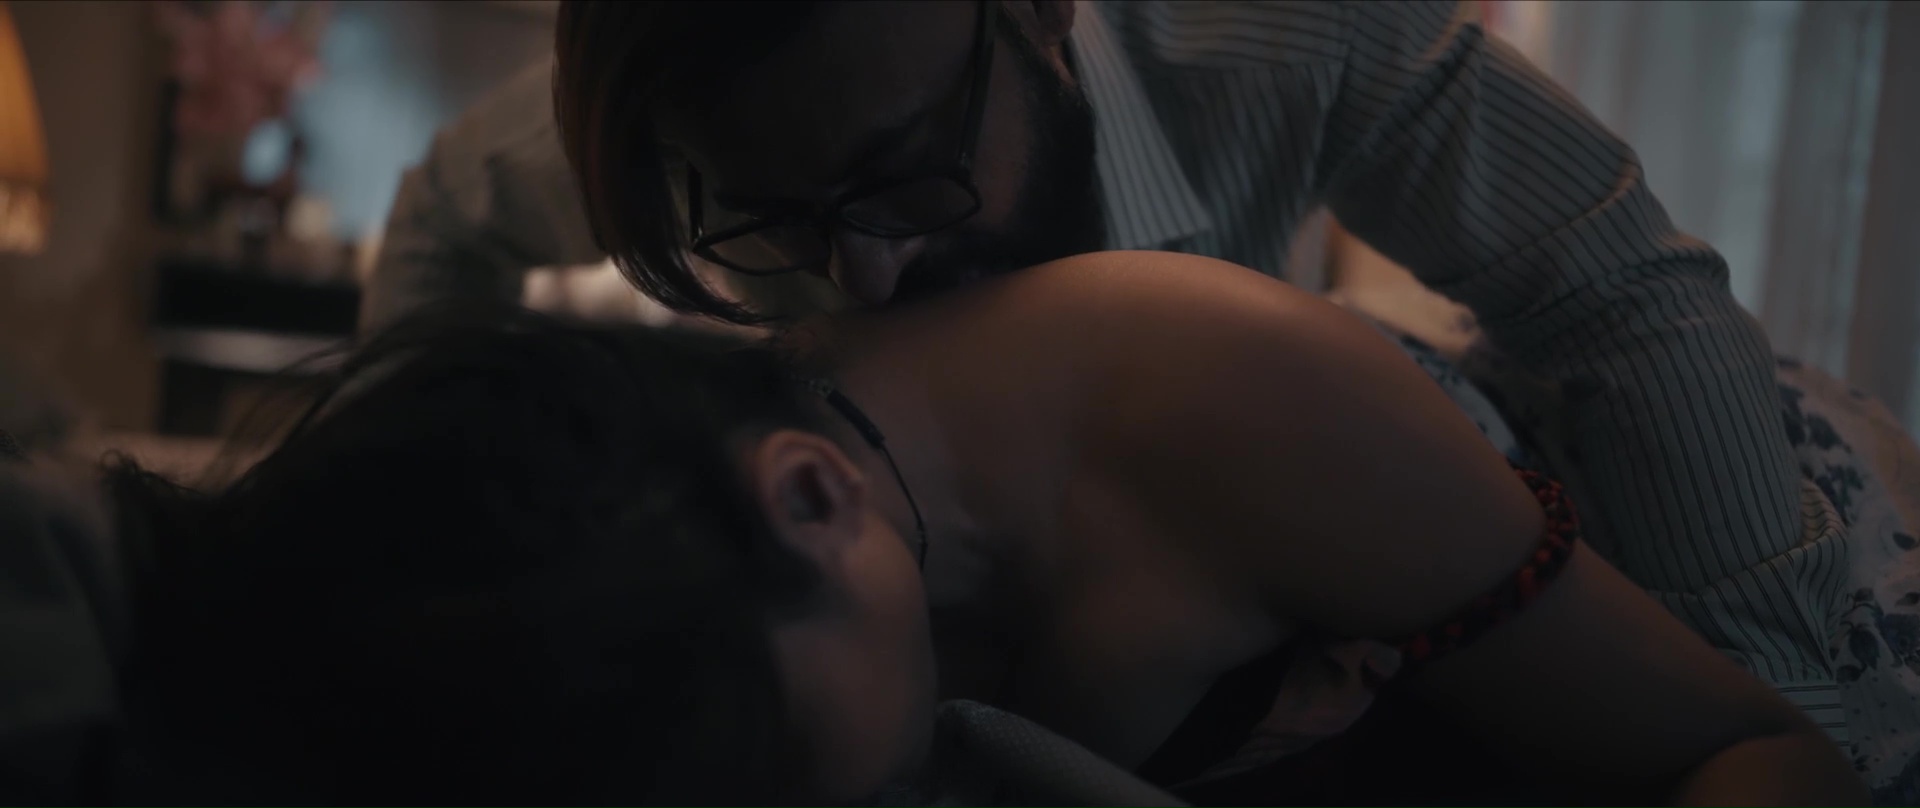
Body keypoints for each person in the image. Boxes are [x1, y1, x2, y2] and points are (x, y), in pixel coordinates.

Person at [368, 0, 1852, 783]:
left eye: (905, 171)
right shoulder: (702, 94)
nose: (865, 279)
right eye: (774, 220)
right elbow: (443, 210)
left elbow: (1614, 293)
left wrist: (1803, 721)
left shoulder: (1276, 38)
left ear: (1037, 5)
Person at [107, 249, 1864, 805]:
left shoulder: (1206, 397)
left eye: (796, 784)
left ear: (812, 495)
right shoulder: (560, 600)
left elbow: (1763, 748)